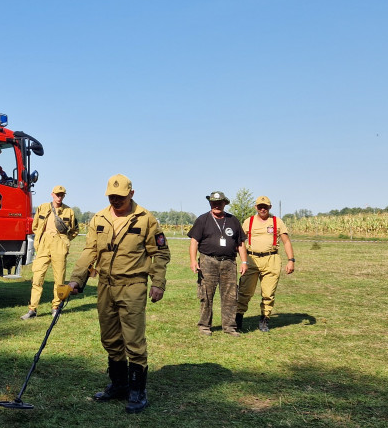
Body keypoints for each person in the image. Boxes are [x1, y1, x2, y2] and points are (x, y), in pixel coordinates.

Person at [67, 174, 169, 415]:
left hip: (133, 285)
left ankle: (137, 392)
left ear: (131, 194)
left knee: (133, 340)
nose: (115, 200)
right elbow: (89, 250)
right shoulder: (99, 218)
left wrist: (158, 283)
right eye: (111, 196)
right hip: (105, 285)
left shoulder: (145, 219)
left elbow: (161, 253)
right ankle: (119, 385)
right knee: (110, 339)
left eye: (120, 197)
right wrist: (76, 279)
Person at [188, 191, 247, 337]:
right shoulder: (203, 220)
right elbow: (194, 242)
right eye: (213, 202)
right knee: (206, 295)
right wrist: (193, 260)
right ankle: (204, 326)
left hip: (228, 262)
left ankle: (229, 327)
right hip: (208, 261)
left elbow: (240, 243)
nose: (216, 205)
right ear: (210, 203)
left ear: (225, 203)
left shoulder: (233, 220)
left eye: (219, 202)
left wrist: (244, 261)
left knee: (230, 296)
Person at [237, 196, 295, 332]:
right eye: (260, 206)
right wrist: (240, 260)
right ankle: (238, 319)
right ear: (255, 207)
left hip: (271, 259)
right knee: (245, 291)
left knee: (268, 293)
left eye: (266, 206)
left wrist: (291, 260)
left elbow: (286, 241)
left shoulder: (276, 222)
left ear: (270, 207)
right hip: (251, 259)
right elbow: (239, 241)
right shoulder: (248, 221)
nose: (263, 209)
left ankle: (264, 320)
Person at [21, 185, 78, 320]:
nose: (59, 197)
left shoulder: (69, 211)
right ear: (52, 194)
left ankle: (55, 307)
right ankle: (32, 309)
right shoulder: (43, 208)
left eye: (62, 195)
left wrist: (65, 240)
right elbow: (35, 226)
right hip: (44, 245)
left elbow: (74, 230)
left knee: (59, 280)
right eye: (57, 194)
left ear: (64, 196)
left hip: (59, 244)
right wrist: (42, 239)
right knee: (37, 278)